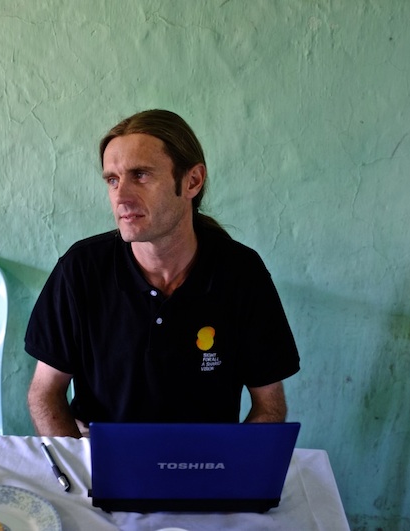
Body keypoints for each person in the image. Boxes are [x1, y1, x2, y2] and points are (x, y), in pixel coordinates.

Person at [25, 109, 299, 437]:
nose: (121, 197)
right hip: (100, 465)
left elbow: (270, 406)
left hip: (203, 466)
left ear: (192, 181)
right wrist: (76, 470)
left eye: (140, 175)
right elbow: (45, 392)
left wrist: (226, 471)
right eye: (112, 179)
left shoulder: (241, 273)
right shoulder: (82, 268)